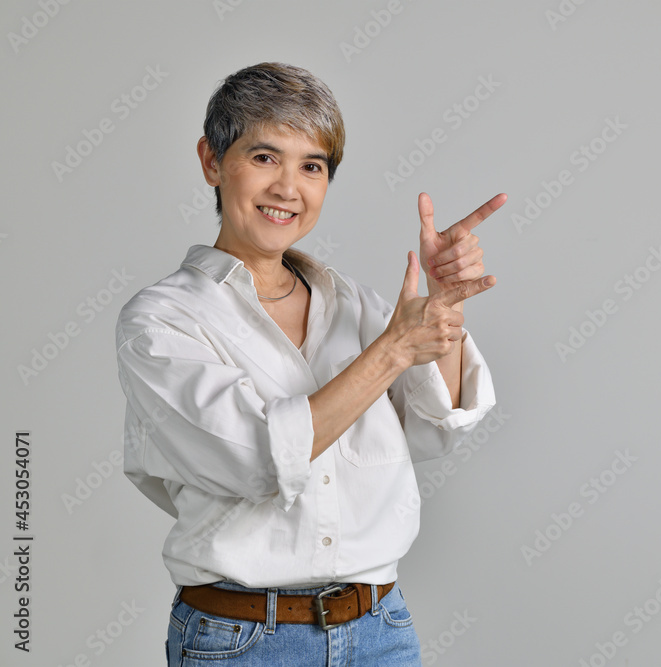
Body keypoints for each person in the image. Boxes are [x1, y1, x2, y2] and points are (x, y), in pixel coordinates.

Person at [114, 61, 504, 665]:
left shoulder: (354, 304)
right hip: (241, 639)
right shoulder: (162, 321)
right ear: (212, 161)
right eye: (264, 157)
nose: (287, 188)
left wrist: (442, 311)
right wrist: (395, 347)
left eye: (312, 166)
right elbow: (252, 459)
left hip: (380, 629)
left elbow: (432, 427)